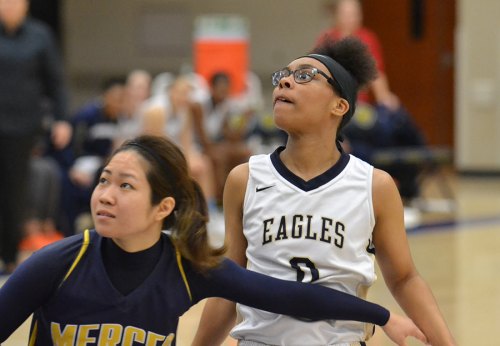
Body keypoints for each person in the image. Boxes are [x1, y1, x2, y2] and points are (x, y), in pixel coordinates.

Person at [0, 135, 426, 345]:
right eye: (104, 180)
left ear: (163, 207)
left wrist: (384, 317)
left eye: (126, 186)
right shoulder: (58, 263)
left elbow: (292, 297)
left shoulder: (187, 269)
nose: (105, 195)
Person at [192, 38, 456, 346]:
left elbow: (404, 278)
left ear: (339, 105)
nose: (286, 82)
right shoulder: (245, 178)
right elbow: (229, 284)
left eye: (304, 75)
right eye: (283, 76)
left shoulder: (374, 185)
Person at [0, 0, 70, 273]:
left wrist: (62, 119)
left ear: (25, 5)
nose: (8, 6)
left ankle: (9, 254)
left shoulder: (40, 36)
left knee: (14, 192)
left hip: (22, 127)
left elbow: (55, 82)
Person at [315, 0, 398, 110]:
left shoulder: (367, 38)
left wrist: (384, 96)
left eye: (354, 14)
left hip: (358, 103)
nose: (350, 19)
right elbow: (317, 70)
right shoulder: (327, 38)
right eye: (346, 14)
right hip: (330, 101)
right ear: (337, 15)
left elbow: (376, 72)